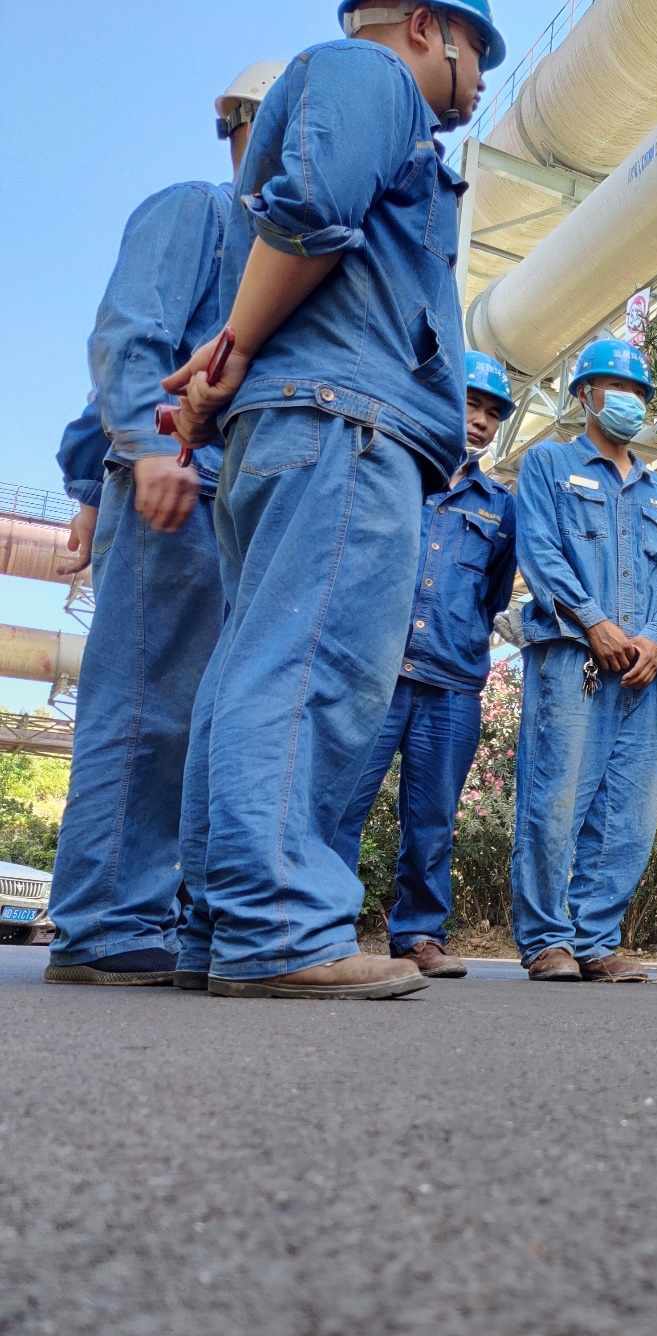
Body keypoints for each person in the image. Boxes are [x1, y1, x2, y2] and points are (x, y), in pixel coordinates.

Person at [164, 0, 508, 1001]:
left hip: (305, 419)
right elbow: (313, 210)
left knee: (254, 663)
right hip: (347, 423)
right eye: (477, 51)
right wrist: (231, 353)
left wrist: (230, 355)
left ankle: (220, 925)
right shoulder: (371, 75)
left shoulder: (342, 85)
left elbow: (301, 228)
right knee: (312, 665)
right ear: (424, 26)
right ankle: (278, 926)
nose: (480, 79)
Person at [42, 61, 285, 987]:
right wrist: (144, 452)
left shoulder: (279, 253)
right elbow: (126, 338)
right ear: (253, 127)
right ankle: (103, 924)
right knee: (146, 707)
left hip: (230, 502)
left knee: (200, 723)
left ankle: (163, 916)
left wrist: (89, 482)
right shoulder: (200, 211)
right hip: (179, 484)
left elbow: (96, 403)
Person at [329, 351, 520, 980]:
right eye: (471, 404)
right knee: (340, 805)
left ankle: (419, 935)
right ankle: (325, 930)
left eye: (493, 413)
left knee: (433, 818)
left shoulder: (500, 507)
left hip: (452, 683)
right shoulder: (391, 471)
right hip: (372, 671)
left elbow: (493, 594)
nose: (481, 421)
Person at [507, 339, 657, 983]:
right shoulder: (549, 463)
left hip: (642, 670)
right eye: (616, 388)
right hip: (571, 659)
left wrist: (655, 639)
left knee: (628, 812)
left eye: (638, 392)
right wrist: (593, 621)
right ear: (584, 395)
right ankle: (546, 940)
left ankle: (595, 940)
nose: (629, 401)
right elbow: (539, 549)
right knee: (554, 799)